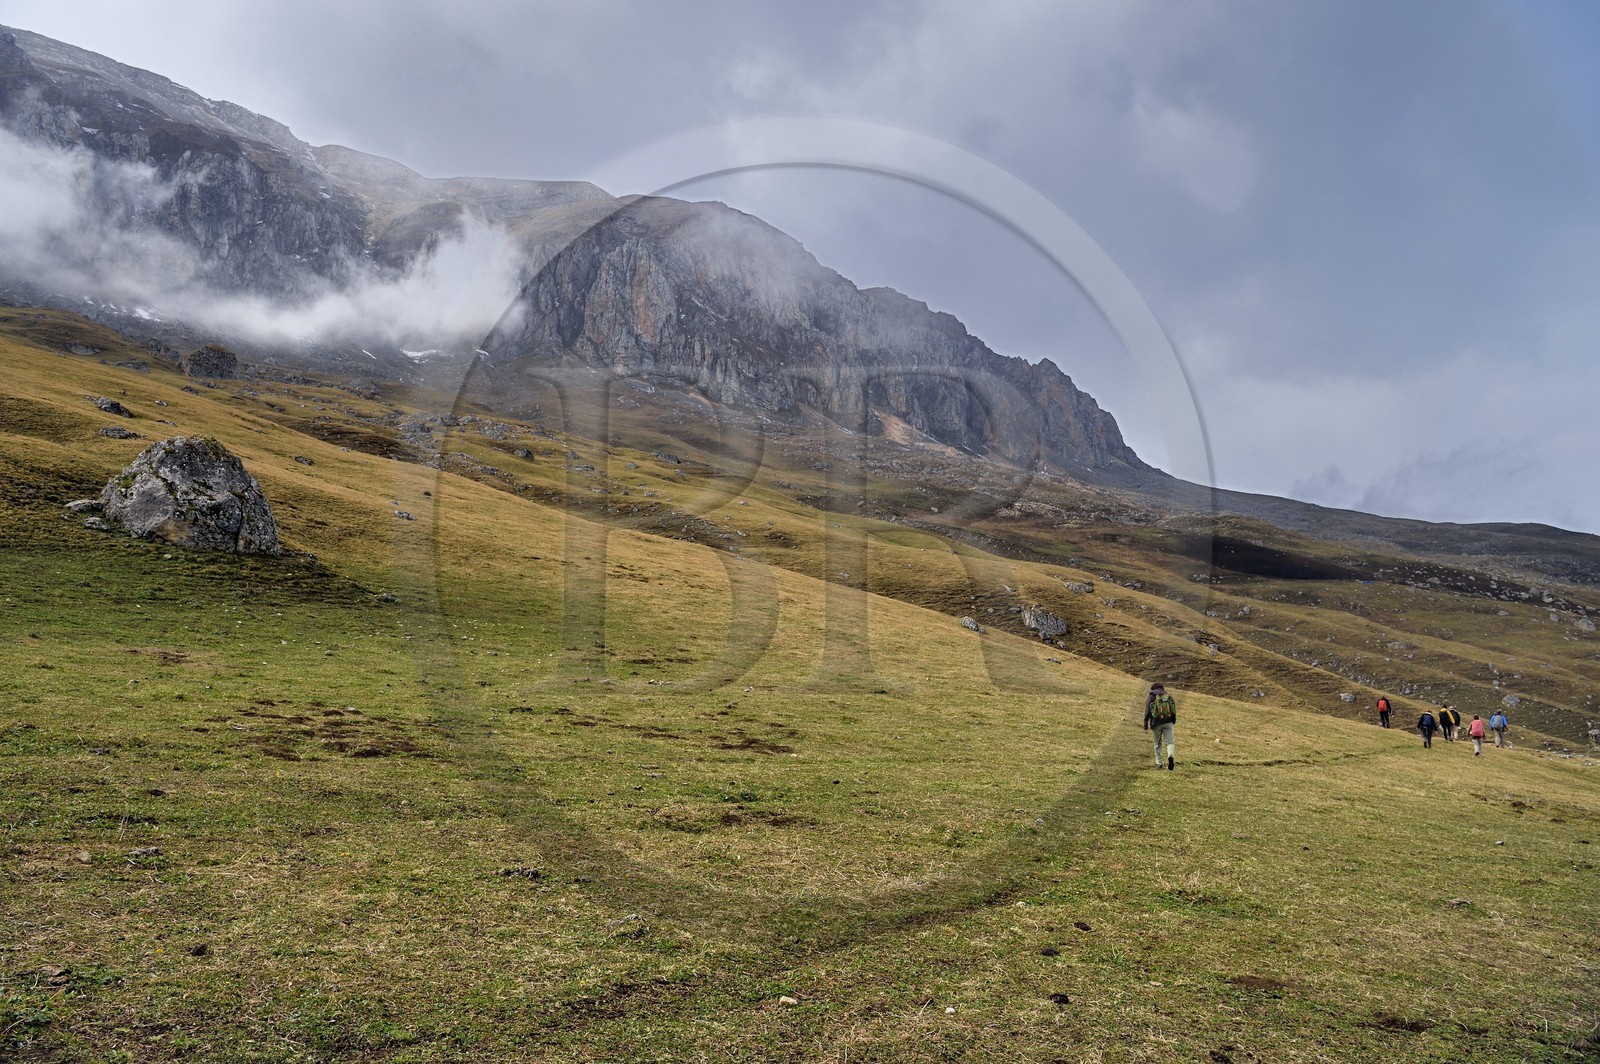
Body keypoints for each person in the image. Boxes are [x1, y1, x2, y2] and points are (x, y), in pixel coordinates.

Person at [1144, 682, 1177, 770]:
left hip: (1156, 723)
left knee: (1157, 744)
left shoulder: (1151, 696)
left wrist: (1145, 724)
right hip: (1168, 722)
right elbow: (1173, 708)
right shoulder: (1167, 695)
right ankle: (1170, 756)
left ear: (1153, 688)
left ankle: (1159, 763)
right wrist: (1173, 720)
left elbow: (1147, 711)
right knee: (1170, 742)